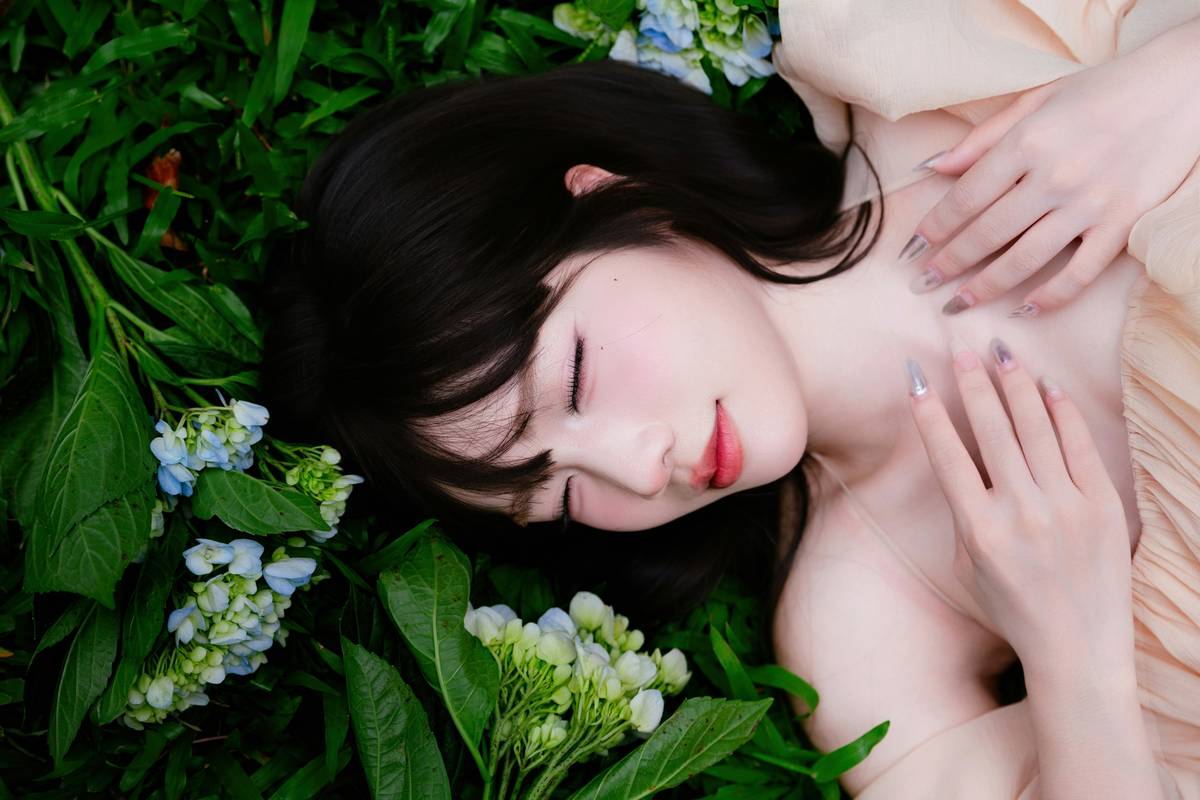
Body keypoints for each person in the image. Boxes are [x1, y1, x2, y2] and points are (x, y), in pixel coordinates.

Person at [258, 4, 1200, 797]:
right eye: (556, 493)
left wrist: (1169, 85)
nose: (637, 466)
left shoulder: (930, 58)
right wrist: (1077, 654)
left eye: (577, 377)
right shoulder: (864, 627)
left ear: (616, 196)